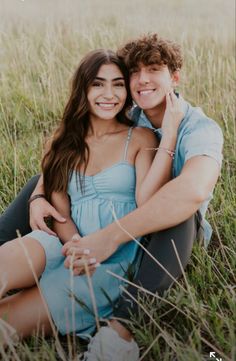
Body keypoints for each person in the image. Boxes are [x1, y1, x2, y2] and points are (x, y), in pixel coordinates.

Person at [0, 47, 183, 357]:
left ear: (127, 91)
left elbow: (147, 200)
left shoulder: (139, 138)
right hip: (62, 244)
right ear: (82, 89)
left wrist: (170, 132)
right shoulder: (62, 142)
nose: (108, 93)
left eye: (118, 84)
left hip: (108, 259)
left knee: (6, 320)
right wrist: (75, 246)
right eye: (97, 84)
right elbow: (61, 213)